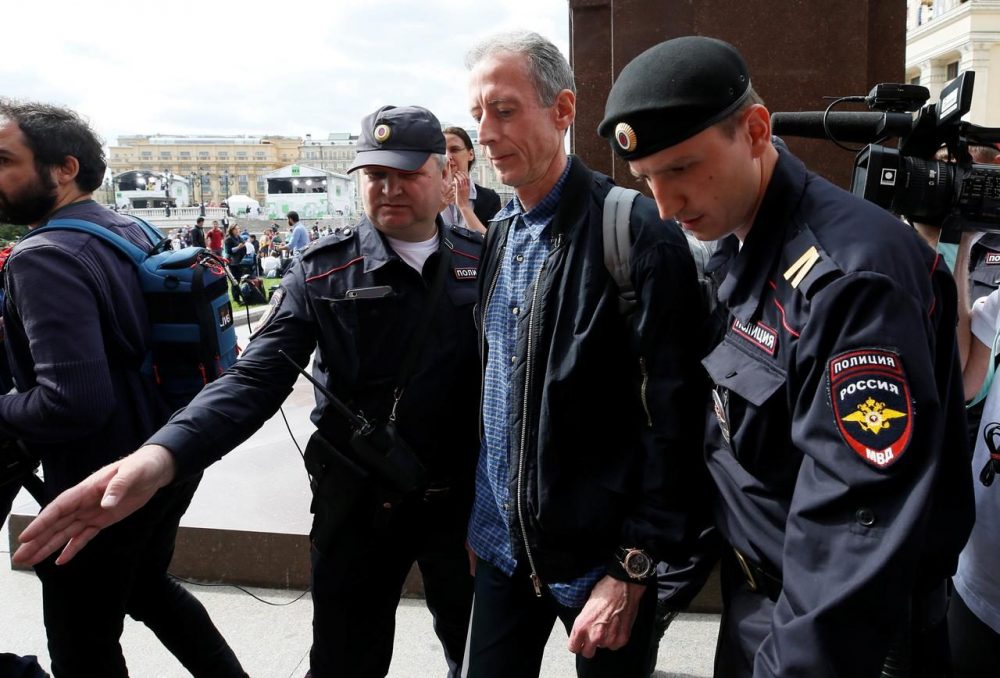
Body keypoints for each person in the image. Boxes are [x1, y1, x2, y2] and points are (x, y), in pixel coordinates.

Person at [14, 104, 483, 678]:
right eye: (374, 174)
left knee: (479, 652)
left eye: (406, 173)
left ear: (444, 175)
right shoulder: (320, 271)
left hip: (461, 505)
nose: (388, 188)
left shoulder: (484, 263)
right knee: (344, 662)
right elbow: (254, 378)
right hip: (358, 509)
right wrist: (160, 457)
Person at [597, 36, 974, 676]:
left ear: (755, 130)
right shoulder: (739, 241)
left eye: (682, 168)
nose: (665, 204)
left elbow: (855, 530)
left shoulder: (852, 280)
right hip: (761, 606)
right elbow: (727, 446)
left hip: (831, 639)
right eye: (646, 179)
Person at [462, 31, 713, 677]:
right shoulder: (499, 237)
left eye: (506, 109)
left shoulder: (634, 231)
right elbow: (494, 388)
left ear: (563, 110)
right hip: (501, 550)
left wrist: (633, 567)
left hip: (602, 567)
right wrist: (482, 520)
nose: (486, 134)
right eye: (478, 115)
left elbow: (677, 421)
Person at [0, 100, 245, 677]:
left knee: (82, 644)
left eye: (5, 160)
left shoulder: (45, 256)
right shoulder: (129, 228)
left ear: (64, 168)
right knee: (145, 588)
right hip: (165, 455)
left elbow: (71, 403)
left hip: (94, 487)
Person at [442, 126, 501, 234]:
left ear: (471, 154)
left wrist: (464, 207)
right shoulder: (427, 195)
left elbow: (494, 246)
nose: (447, 156)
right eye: (441, 151)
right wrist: (436, 207)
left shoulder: (490, 199)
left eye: (454, 150)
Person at [224, 224, 247, 300]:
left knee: (238, 279)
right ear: (231, 230)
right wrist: (238, 247)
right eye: (235, 229)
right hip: (232, 262)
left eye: (238, 229)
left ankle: (238, 296)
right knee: (234, 281)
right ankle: (236, 297)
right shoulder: (228, 239)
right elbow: (228, 251)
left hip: (240, 261)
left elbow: (243, 244)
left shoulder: (239, 238)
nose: (237, 230)